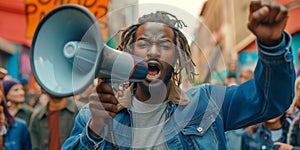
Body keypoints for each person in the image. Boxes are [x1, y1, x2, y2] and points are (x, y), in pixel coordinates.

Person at [62, 0, 295, 149]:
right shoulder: (91, 116)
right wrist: (94, 129)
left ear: (177, 57)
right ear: (129, 52)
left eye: (164, 44)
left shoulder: (207, 103)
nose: (153, 51)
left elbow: (270, 101)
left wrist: (272, 46)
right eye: (143, 43)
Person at [0, 69, 31, 150]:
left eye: (21, 89)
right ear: (5, 94)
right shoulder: (3, 116)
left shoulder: (27, 115)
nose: (21, 92)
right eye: (16, 90)